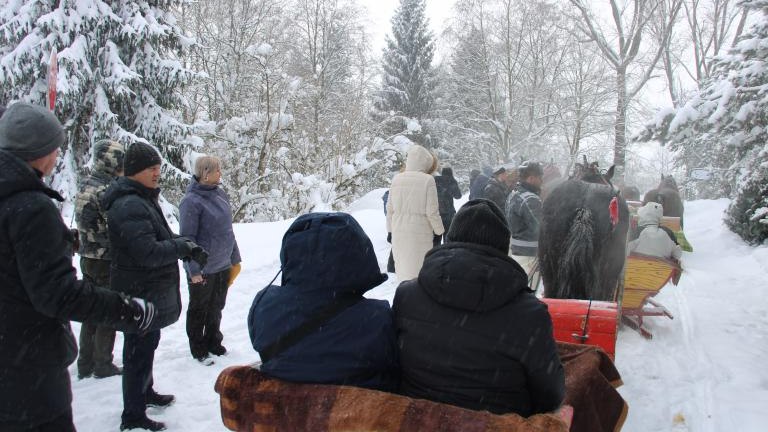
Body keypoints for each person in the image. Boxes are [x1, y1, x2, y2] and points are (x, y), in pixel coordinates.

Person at [0, 102, 155, 432]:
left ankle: (90, 361)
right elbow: (58, 293)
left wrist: (61, 240)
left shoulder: (15, 199)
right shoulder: (29, 206)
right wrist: (129, 311)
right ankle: (97, 361)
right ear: (40, 151)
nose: (58, 154)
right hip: (28, 371)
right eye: (55, 146)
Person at [392, 199, 565, 416]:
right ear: (503, 247)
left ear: (451, 239)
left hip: (418, 420)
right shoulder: (530, 314)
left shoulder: (407, 295)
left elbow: (394, 365)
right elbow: (550, 394)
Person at [102, 142, 208, 431]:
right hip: (138, 290)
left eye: (158, 168)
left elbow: (159, 235)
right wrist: (180, 246)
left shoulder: (142, 199)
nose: (156, 174)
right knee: (137, 351)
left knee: (147, 345)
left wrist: (185, 245)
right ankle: (133, 415)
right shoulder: (129, 204)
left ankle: (145, 392)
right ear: (135, 171)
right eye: (151, 169)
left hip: (146, 289)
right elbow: (147, 251)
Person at [248, 212, 398, 392]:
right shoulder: (377, 318)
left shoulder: (264, 304)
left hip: (285, 411)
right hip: (355, 415)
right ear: (358, 257)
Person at [179, 155, 241, 364]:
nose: (220, 173)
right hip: (203, 268)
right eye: (217, 170)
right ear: (206, 173)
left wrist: (235, 258)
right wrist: (193, 270)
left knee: (216, 306)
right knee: (199, 309)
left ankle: (214, 341)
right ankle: (198, 349)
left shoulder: (220, 194)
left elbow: (227, 231)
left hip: (223, 264)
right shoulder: (191, 201)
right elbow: (187, 239)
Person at [74, 139, 125, 380]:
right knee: (108, 310)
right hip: (106, 258)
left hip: (87, 256)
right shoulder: (107, 190)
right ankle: (103, 362)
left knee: (91, 310)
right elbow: (112, 225)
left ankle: (85, 361)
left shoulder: (86, 184)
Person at [386, 144, 444, 281]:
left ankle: (404, 298)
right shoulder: (428, 180)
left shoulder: (397, 179)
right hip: (421, 233)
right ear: (427, 163)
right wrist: (439, 231)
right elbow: (432, 212)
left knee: (404, 274)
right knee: (420, 275)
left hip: (399, 233)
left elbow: (390, 210)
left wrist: (390, 231)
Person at [506, 161, 544, 278]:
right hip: (529, 255)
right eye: (540, 177)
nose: (542, 181)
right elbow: (542, 228)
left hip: (519, 252)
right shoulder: (529, 199)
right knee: (530, 292)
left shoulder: (514, 193)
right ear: (531, 178)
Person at [434, 167, 462, 243]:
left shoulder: (435, 180)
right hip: (448, 214)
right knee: (448, 237)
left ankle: (436, 253)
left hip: (436, 214)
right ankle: (446, 253)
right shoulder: (451, 181)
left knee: (436, 238)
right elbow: (458, 196)